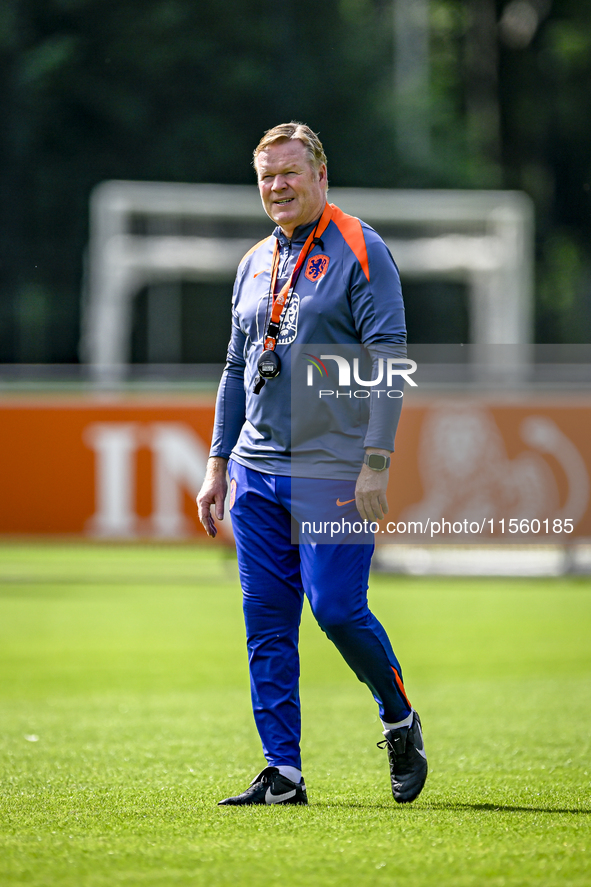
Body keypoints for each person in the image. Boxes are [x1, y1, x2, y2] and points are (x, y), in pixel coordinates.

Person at [197, 122, 427, 806]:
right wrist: (216, 463)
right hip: (256, 474)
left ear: (320, 174)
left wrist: (376, 464)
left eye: (289, 173)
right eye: (266, 176)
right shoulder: (251, 262)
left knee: (334, 608)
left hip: (334, 469)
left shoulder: (362, 247)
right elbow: (238, 365)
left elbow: (387, 359)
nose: (276, 187)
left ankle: (397, 715)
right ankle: (283, 772)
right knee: (266, 621)